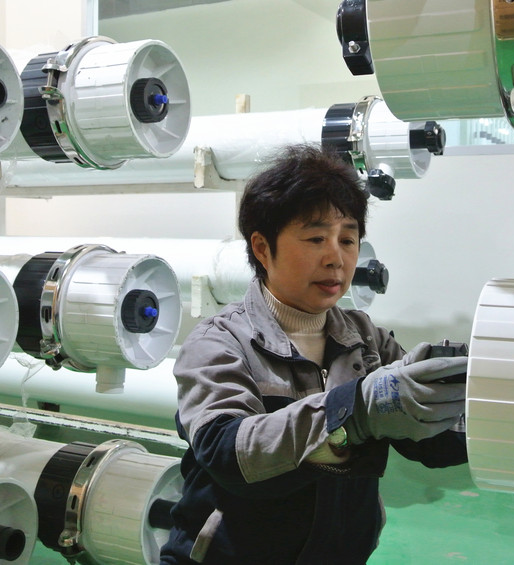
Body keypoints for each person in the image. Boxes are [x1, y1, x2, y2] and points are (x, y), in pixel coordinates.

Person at [160, 144, 468, 565]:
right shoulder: (220, 341)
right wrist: (354, 412)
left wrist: (457, 395)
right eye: (316, 238)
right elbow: (230, 456)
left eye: (348, 239)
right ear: (262, 248)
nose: (336, 258)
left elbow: (431, 448)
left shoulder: (366, 340)